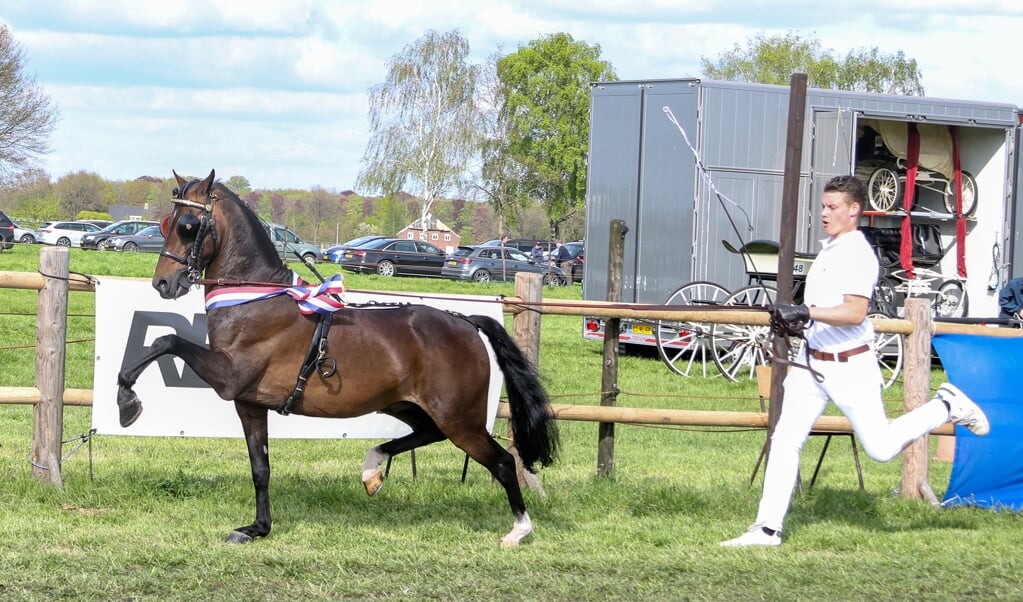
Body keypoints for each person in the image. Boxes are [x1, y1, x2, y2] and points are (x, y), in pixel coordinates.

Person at [721, 175, 991, 548]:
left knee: (880, 448)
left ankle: (945, 405)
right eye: (823, 206)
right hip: (812, 364)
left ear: (854, 210)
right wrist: (798, 320)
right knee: (784, 440)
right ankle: (767, 528)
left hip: (850, 367)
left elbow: (853, 312)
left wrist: (806, 311)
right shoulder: (829, 251)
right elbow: (823, 311)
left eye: (833, 207)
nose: (824, 213)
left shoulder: (859, 255)